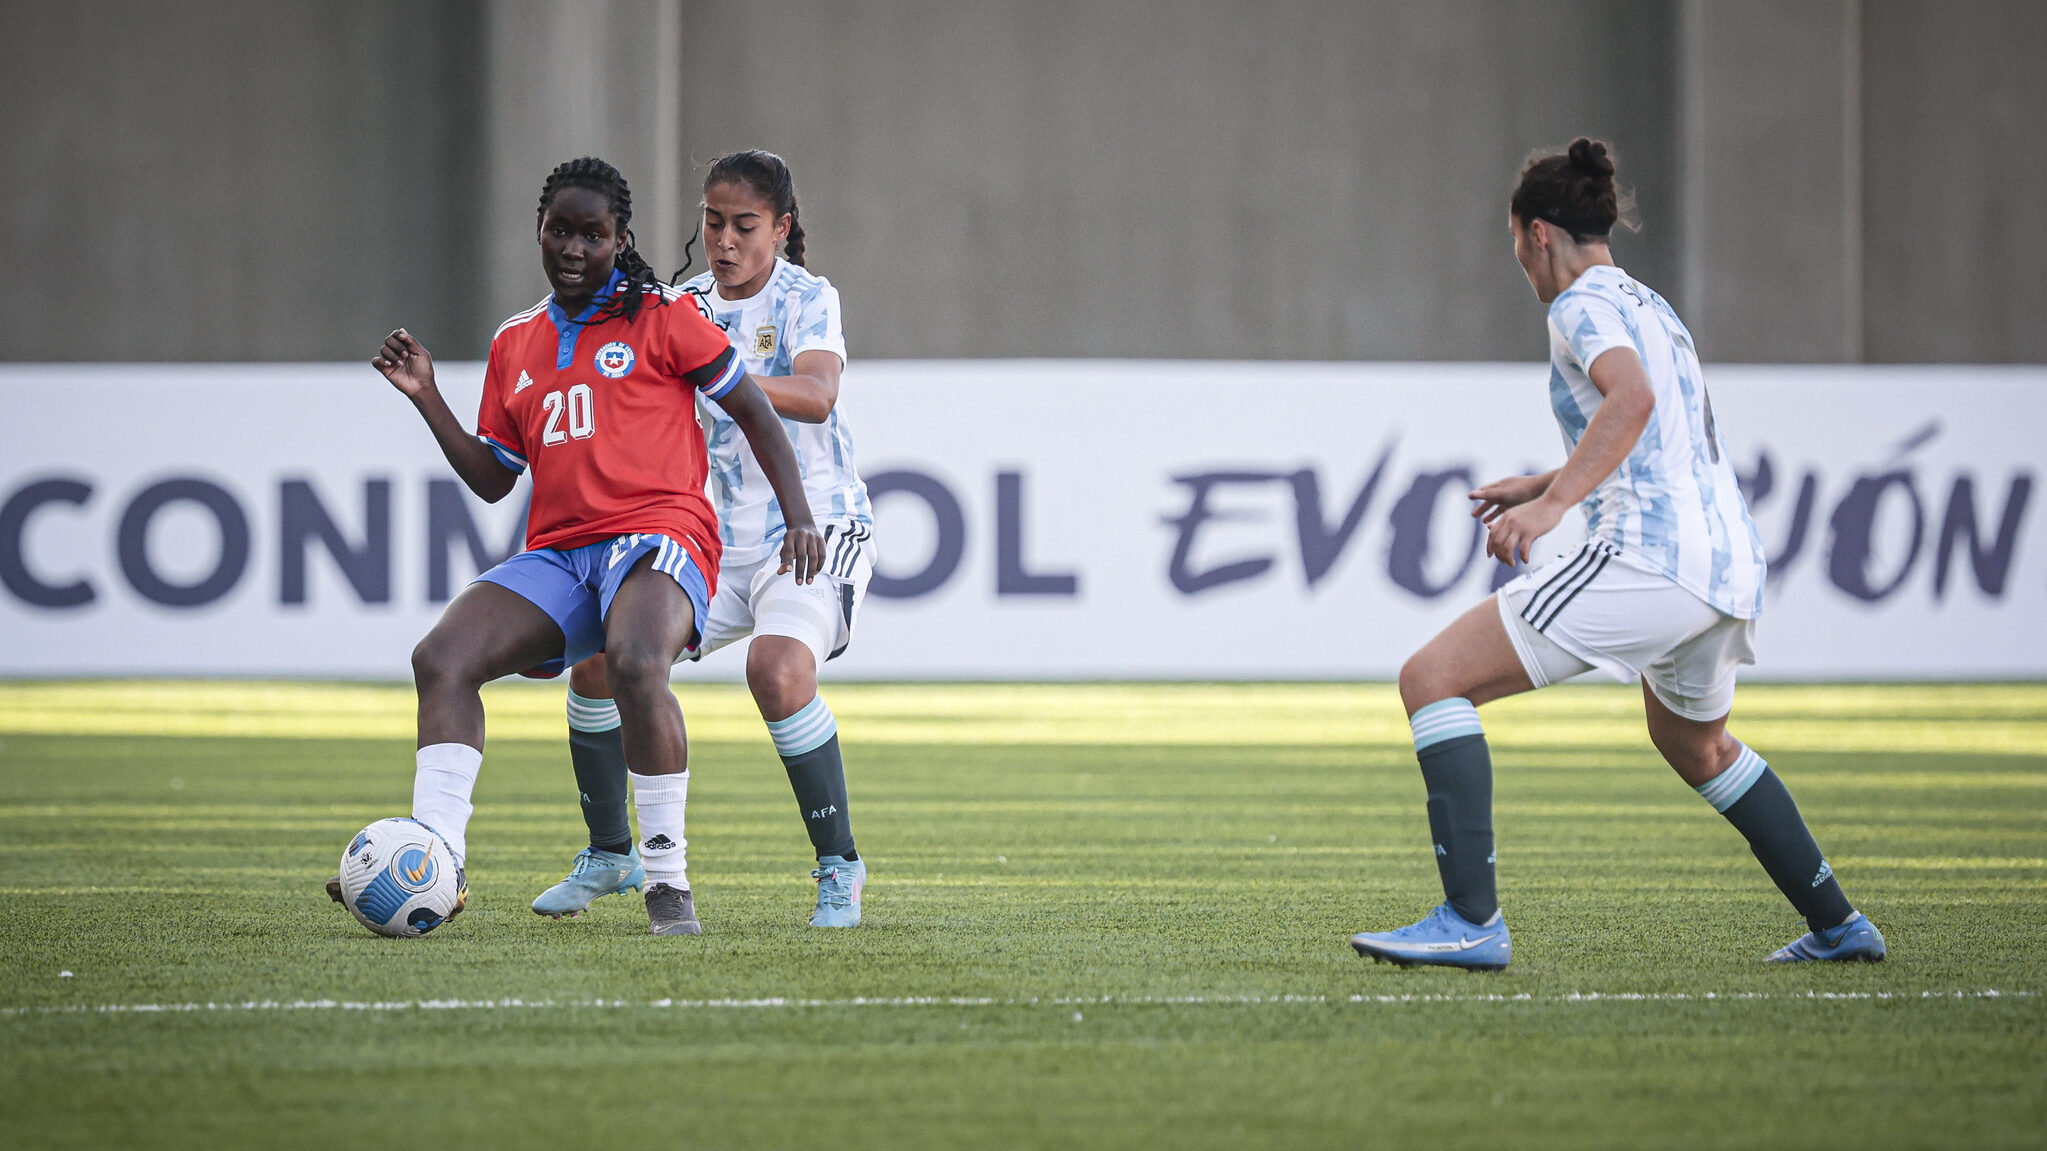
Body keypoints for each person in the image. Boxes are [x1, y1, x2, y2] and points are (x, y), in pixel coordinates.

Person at [1348, 139, 1885, 970]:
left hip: (1650, 558)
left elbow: (1628, 401)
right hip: (1727, 566)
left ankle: (1470, 920)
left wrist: (1555, 508)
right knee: (1695, 745)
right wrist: (1543, 481)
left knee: (1431, 678)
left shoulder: (1576, 305)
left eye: (1516, 251)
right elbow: (1655, 428)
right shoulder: (1651, 305)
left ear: (1535, 235)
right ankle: (1839, 922)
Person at [353, 156, 823, 937]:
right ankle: (435, 855)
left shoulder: (665, 315)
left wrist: (798, 514)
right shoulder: (515, 342)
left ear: (620, 239)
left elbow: (754, 410)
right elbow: (495, 479)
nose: (573, 247)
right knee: (440, 658)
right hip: (564, 550)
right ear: (539, 233)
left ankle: (666, 880)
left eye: (592, 234)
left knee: (635, 661)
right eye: (559, 231)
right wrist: (428, 397)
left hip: (661, 534)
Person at [530, 150, 876, 929]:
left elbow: (817, 397)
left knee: (777, 670)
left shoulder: (806, 299)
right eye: (712, 221)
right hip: (711, 538)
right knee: (598, 662)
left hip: (812, 525)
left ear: (780, 229)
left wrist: (708, 370)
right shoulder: (677, 302)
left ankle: (838, 866)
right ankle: (611, 851)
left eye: (744, 225)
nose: (723, 239)